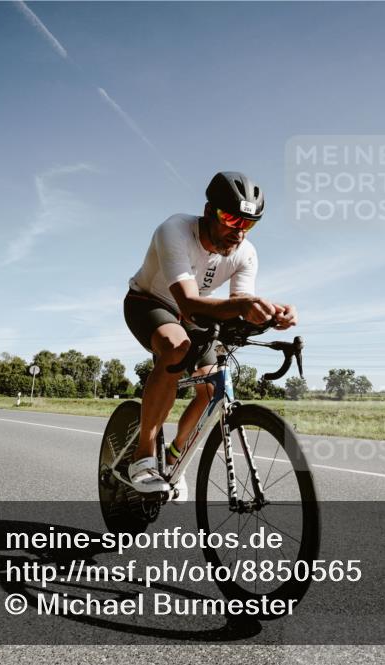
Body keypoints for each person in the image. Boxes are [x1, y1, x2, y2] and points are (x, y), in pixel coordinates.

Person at [123, 171, 297, 497]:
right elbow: (188, 304)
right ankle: (143, 455)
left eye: (249, 224)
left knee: (211, 386)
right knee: (175, 347)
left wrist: (273, 315)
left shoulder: (246, 254)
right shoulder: (174, 230)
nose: (238, 232)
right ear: (208, 211)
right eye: (230, 218)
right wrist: (245, 305)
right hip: (150, 302)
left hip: (196, 315)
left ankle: (174, 457)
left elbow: (236, 306)